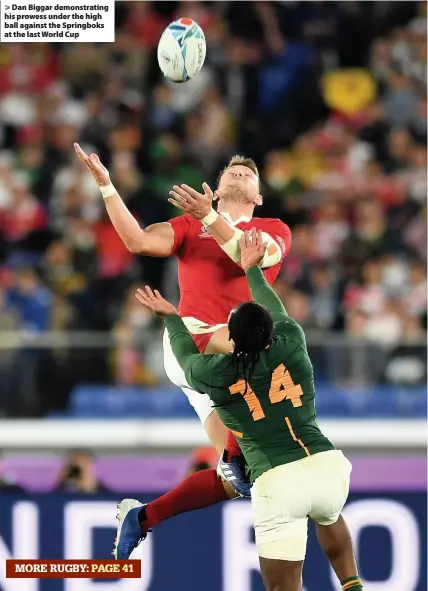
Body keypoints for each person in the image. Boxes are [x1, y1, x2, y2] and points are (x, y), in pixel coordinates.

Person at [114, 229, 363, 591]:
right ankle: (353, 584)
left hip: (277, 479)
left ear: (230, 337)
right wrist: (252, 270)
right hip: (327, 466)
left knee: (281, 582)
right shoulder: (292, 341)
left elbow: (185, 358)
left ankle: (146, 516)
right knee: (328, 513)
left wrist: (170, 316)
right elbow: (274, 306)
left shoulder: (216, 374)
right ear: (270, 331)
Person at [74, 143, 291, 495]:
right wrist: (107, 186)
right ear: (217, 189)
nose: (239, 174)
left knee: (252, 466)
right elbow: (137, 241)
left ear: (260, 196)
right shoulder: (190, 225)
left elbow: (247, 254)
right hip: (192, 341)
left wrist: (210, 217)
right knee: (258, 345)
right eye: (231, 172)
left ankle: (157, 510)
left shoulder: (274, 229)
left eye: (248, 174)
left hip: (230, 358)